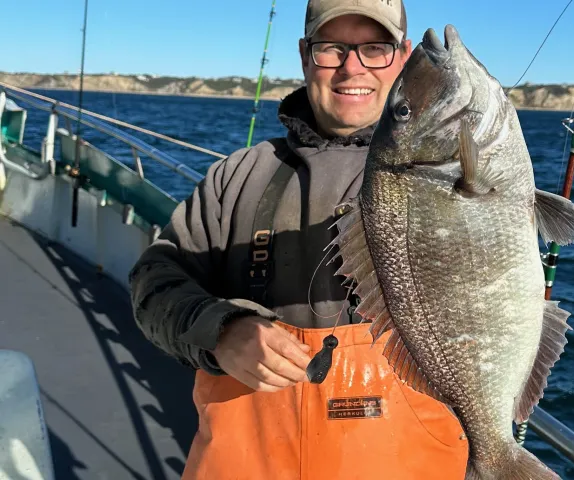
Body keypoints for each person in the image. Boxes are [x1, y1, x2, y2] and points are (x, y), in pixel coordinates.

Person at [129, 0, 469, 478]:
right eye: (332, 48)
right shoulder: (237, 176)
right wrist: (220, 330)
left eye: (375, 48)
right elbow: (153, 282)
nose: (353, 67)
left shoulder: (450, 179)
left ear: (404, 56)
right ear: (306, 54)